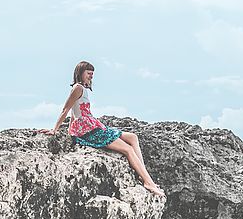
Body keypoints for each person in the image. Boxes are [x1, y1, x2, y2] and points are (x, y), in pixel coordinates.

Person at [39, 61, 165, 198]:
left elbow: (73, 113)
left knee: (133, 137)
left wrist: (71, 130)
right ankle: (148, 182)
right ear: (80, 73)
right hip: (88, 131)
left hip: (92, 126)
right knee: (128, 149)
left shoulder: (83, 89)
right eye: (88, 74)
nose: (91, 77)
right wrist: (55, 130)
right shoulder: (77, 88)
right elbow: (66, 109)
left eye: (92, 74)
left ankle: (144, 174)